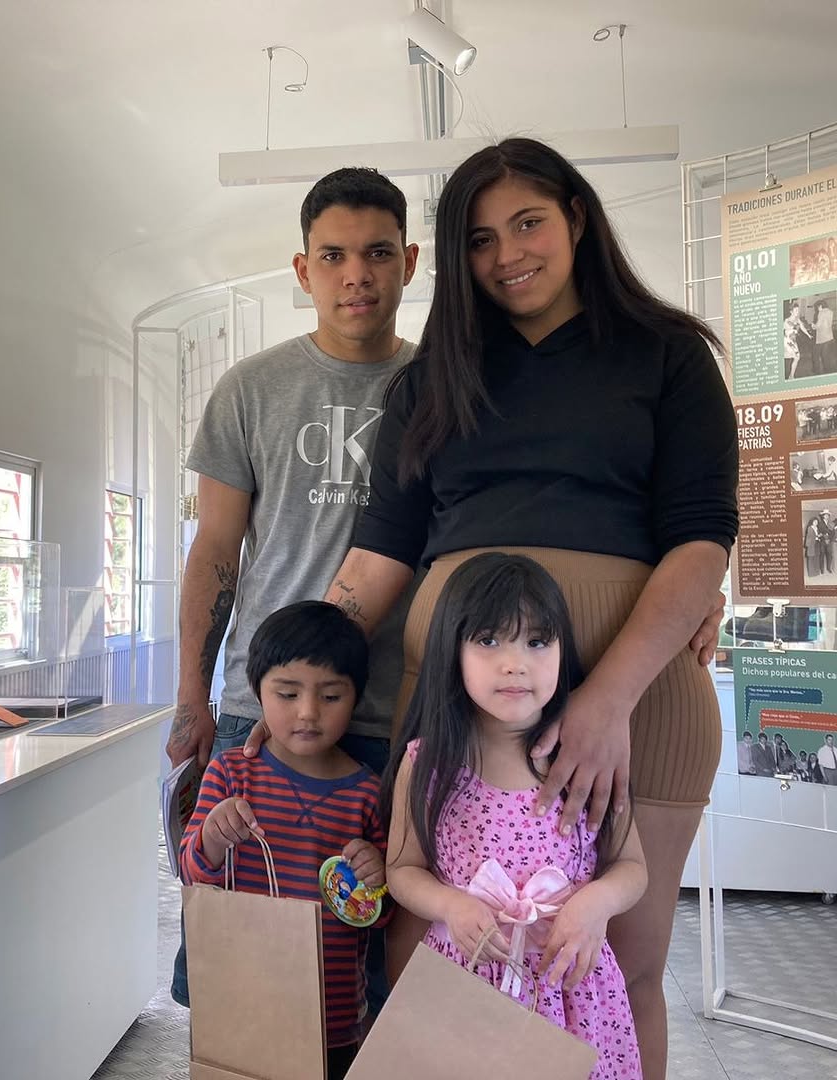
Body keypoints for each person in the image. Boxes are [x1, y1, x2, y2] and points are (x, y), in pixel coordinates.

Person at [325, 138, 737, 1079]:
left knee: (620, 968)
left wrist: (607, 700)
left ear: (577, 218)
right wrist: (298, 669)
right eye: (479, 239)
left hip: (642, 698)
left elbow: (701, 541)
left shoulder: (668, 355)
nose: (507, 254)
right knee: (433, 961)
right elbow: (381, 553)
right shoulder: (431, 379)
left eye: (528, 223)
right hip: (454, 705)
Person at [166, 166, 418, 1008]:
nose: (357, 275)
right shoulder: (251, 388)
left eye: (378, 252)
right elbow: (216, 550)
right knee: (242, 960)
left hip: (396, 715)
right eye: (334, 255)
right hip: (262, 712)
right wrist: (194, 698)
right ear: (304, 270)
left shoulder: (442, 388)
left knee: (380, 963)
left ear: (410, 262)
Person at [383, 554, 646, 1078]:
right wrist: (451, 905)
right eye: (488, 640)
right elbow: (401, 869)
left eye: (537, 641)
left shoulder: (583, 760)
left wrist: (595, 904)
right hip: (467, 984)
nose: (515, 663)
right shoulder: (428, 762)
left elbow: (632, 867)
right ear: (452, 650)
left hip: (572, 990)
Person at [179, 602, 388, 1080]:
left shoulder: (367, 793)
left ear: (356, 698)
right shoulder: (231, 773)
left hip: (332, 1017)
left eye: (331, 696)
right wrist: (212, 838)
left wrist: (377, 878)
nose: (308, 712)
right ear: (257, 691)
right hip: (239, 999)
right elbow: (192, 875)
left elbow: (381, 916)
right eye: (288, 693)